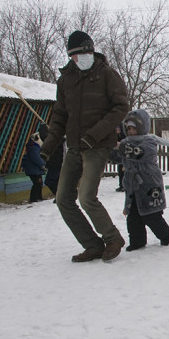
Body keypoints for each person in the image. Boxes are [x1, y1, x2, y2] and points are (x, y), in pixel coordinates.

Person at [40, 30, 129, 263]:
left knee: (86, 196)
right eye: (77, 54)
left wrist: (94, 135)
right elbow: (59, 116)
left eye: (86, 52)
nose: (83, 57)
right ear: (71, 56)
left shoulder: (107, 74)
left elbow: (121, 107)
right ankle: (92, 245)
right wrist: (48, 146)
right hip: (74, 147)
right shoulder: (65, 80)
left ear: (92, 51)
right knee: (63, 199)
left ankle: (113, 238)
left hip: (97, 146)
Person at [111, 109, 169, 251]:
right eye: (129, 128)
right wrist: (107, 149)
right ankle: (137, 242)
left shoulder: (149, 141)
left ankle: (164, 235)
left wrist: (121, 147)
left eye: (134, 128)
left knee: (152, 216)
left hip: (149, 185)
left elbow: (140, 153)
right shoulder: (125, 142)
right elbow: (117, 157)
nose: (131, 131)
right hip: (132, 187)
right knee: (133, 218)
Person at [38, 123, 63, 198]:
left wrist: (43, 128)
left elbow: (46, 138)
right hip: (57, 163)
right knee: (56, 181)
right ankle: (60, 196)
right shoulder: (62, 138)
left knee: (50, 181)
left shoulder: (59, 139)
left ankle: (60, 196)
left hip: (56, 163)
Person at [21, 130, 46, 203]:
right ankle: (34, 198)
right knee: (37, 183)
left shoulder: (32, 146)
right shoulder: (34, 147)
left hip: (34, 169)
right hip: (34, 169)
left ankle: (38, 197)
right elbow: (36, 158)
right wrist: (42, 165)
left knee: (39, 183)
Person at [115, 124, 126, 192]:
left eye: (118, 129)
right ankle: (121, 185)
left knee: (124, 171)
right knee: (120, 171)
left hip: (125, 155)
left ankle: (124, 185)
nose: (117, 130)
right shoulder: (116, 136)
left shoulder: (123, 135)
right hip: (119, 155)